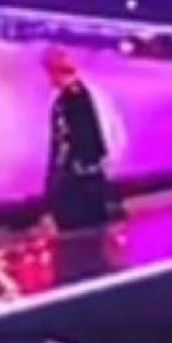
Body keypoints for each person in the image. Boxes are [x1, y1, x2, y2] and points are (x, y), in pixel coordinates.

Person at [41, 46, 112, 231]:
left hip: (76, 183)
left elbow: (63, 145)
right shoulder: (84, 95)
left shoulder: (68, 102)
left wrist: (52, 186)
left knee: (77, 231)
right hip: (91, 178)